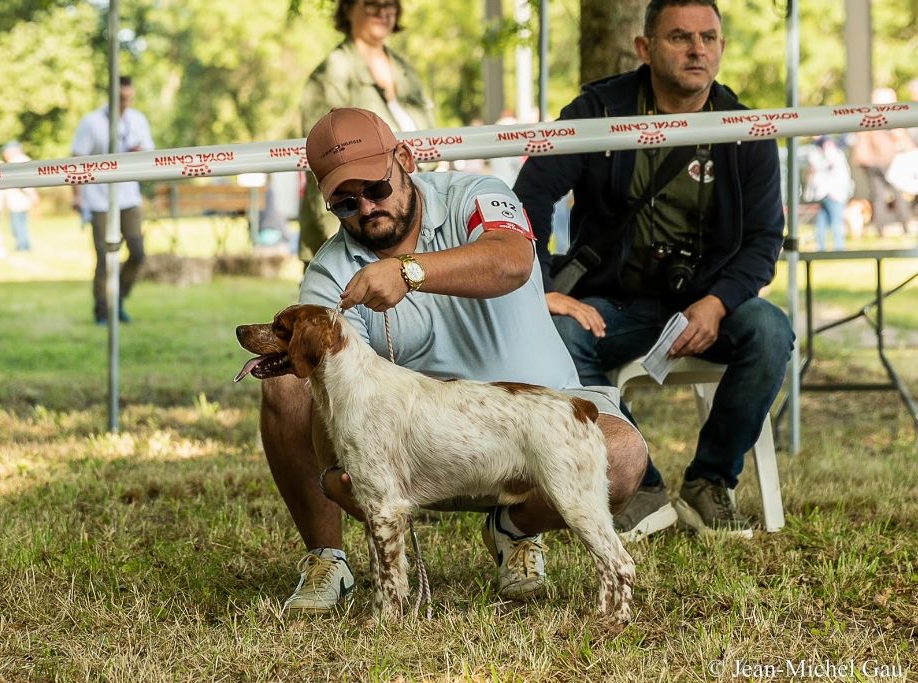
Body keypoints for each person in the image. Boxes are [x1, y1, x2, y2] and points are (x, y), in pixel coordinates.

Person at [257, 107, 649, 613]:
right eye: (345, 202)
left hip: (539, 416)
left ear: (406, 158)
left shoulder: (476, 195)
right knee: (289, 378)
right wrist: (335, 474)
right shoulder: (330, 273)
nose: (366, 208)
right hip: (420, 452)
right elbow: (329, 383)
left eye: (376, 189)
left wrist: (409, 272)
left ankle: (513, 530)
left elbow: (511, 260)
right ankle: (326, 558)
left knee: (621, 457)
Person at [513, 0, 794, 541]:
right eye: (680, 37)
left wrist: (718, 302)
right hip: (610, 301)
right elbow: (530, 197)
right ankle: (640, 486)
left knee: (770, 328)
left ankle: (710, 482)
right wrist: (543, 286)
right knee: (559, 332)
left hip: (702, 303)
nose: (697, 50)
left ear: (722, 47)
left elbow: (764, 240)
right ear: (644, 48)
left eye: (709, 37)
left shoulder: (745, 126)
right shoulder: (598, 110)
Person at [297, 0, 434, 265]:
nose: (383, 11)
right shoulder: (330, 74)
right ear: (347, 9)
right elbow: (322, 167)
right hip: (356, 236)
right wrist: (336, 249)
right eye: (372, 3)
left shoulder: (407, 72)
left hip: (412, 231)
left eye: (390, 4)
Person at [71, 75, 155, 324]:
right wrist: (76, 196)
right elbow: (76, 160)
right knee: (105, 255)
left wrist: (140, 155)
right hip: (99, 199)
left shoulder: (138, 120)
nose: (125, 102)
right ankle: (101, 309)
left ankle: (118, 298)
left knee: (138, 252)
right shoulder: (92, 122)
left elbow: (151, 154)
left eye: (129, 97)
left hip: (128, 196)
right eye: (121, 97)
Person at [851, 87, 916, 237]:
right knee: (897, 191)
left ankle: (881, 227)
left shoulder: (866, 117)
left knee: (879, 194)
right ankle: (905, 223)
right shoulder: (886, 117)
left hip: (870, 161)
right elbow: (899, 137)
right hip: (886, 160)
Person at [803, 136, 853, 251]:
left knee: (822, 221)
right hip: (832, 193)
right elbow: (839, 175)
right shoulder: (830, 156)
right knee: (836, 222)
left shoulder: (816, 155)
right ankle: (838, 248)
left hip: (823, 193)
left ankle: (821, 248)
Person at [2, 141, 39, 252]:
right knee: (21, 224)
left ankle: (22, 247)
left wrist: (32, 195)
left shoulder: (17, 162)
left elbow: (25, 183)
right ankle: (24, 245)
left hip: (18, 201)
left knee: (18, 226)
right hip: (20, 200)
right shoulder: (23, 160)